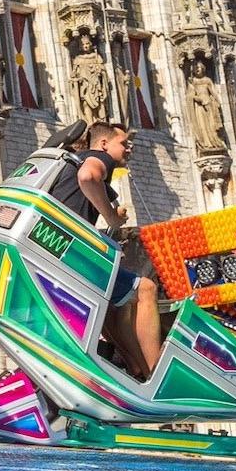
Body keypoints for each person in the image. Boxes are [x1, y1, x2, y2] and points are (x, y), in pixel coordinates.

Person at [46, 121, 162, 379]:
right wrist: (109, 216)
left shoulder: (73, 161)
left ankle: (136, 368)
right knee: (146, 289)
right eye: (123, 143)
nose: (128, 148)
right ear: (103, 143)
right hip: (72, 250)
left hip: (57, 248)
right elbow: (88, 177)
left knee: (113, 304)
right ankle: (157, 374)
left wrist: (110, 213)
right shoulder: (98, 158)